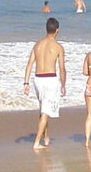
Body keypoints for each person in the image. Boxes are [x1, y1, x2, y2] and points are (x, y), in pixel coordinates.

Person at [22, 17, 66, 150]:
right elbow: (62, 68)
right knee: (46, 111)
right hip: (50, 79)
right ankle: (36, 142)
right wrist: (63, 84)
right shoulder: (58, 47)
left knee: (43, 109)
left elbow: (29, 64)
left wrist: (26, 82)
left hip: (38, 79)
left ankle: (46, 137)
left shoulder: (37, 45)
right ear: (57, 30)